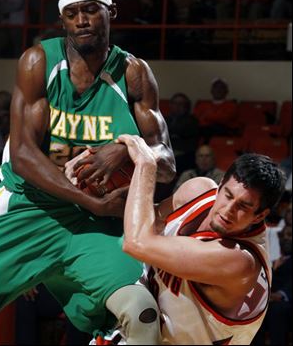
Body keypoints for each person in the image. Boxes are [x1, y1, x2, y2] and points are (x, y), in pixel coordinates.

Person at [0, 0, 176, 344]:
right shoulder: (39, 62)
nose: (82, 20)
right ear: (62, 21)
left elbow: (167, 162)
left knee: (141, 312)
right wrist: (91, 199)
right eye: (73, 13)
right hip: (31, 207)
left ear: (110, 12)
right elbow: (24, 155)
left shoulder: (133, 73)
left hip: (97, 222)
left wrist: (127, 148)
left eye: (91, 10)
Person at [116, 134, 286, 344]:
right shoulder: (198, 191)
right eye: (228, 195)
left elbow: (137, 242)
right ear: (221, 183)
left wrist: (145, 164)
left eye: (243, 207)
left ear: (260, 216)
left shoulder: (239, 261)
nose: (228, 210)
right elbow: (146, 219)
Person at [194, 77, 238, 143]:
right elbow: (196, 119)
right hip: (204, 131)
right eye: (216, 87)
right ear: (211, 90)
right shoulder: (202, 105)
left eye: (221, 87)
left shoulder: (232, 105)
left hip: (223, 132)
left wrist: (206, 117)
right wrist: (213, 117)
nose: (218, 90)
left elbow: (224, 119)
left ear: (226, 91)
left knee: (216, 128)